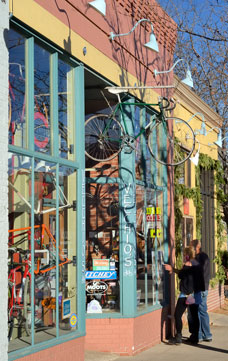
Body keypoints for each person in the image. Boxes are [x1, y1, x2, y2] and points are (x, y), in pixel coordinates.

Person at [164, 246, 202, 345]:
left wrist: (174, 269)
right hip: (193, 294)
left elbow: (181, 275)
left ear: (187, 255)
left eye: (184, 255)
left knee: (177, 314)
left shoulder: (187, 265)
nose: (184, 256)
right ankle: (195, 336)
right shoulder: (197, 265)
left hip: (185, 294)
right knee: (194, 315)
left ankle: (179, 336)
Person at [188, 239, 212, 342]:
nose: (190, 249)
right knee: (202, 311)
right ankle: (206, 334)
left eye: (191, 247)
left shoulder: (198, 258)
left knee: (196, 311)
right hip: (204, 287)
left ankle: (199, 335)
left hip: (199, 288)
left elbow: (199, 271)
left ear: (196, 247)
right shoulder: (205, 256)